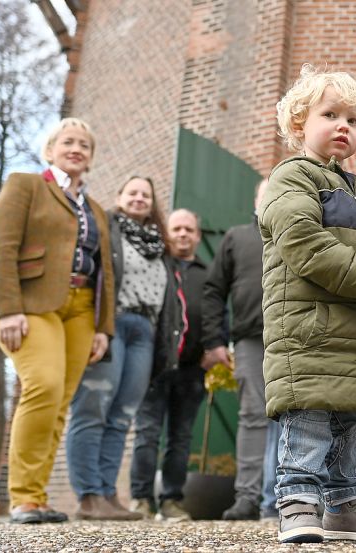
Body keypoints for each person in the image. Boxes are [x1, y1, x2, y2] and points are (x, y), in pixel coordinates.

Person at [262, 64, 356, 544]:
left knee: (353, 423)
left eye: (353, 119)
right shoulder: (292, 178)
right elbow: (303, 242)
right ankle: (298, 501)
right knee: (310, 417)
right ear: (300, 123)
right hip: (310, 330)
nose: (343, 125)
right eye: (330, 115)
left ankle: (346, 504)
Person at [0, 118, 114, 524]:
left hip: (81, 308)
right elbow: (2, 246)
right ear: (50, 150)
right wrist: (8, 307)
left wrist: (103, 328)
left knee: (60, 402)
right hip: (31, 303)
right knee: (42, 386)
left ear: (91, 157)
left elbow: (105, 273)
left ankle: (37, 497)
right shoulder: (26, 185)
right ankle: (22, 497)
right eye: (68, 142)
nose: (76, 148)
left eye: (84, 144)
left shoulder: (95, 209)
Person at [66, 176, 182, 521]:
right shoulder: (106, 230)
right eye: (132, 192)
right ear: (119, 197)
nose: (139, 198)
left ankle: (107, 494)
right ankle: (88, 495)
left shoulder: (159, 245)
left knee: (121, 417)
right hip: (111, 324)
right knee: (93, 408)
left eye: (145, 194)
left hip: (145, 332)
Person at [202, 178, 280, 521]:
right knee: (253, 415)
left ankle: (284, 498)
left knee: (296, 417)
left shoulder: (297, 229)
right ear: (256, 198)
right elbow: (212, 290)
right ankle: (247, 496)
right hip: (250, 339)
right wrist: (214, 341)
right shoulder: (236, 237)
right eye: (268, 190)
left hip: (293, 337)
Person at [129, 209, 208, 521]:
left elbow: (216, 315)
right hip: (155, 366)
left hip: (191, 370)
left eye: (189, 229)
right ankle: (141, 499)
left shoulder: (206, 272)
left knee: (181, 437)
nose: (183, 234)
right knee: (147, 433)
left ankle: (171, 500)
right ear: (167, 233)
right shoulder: (155, 267)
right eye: (177, 228)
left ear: (198, 236)